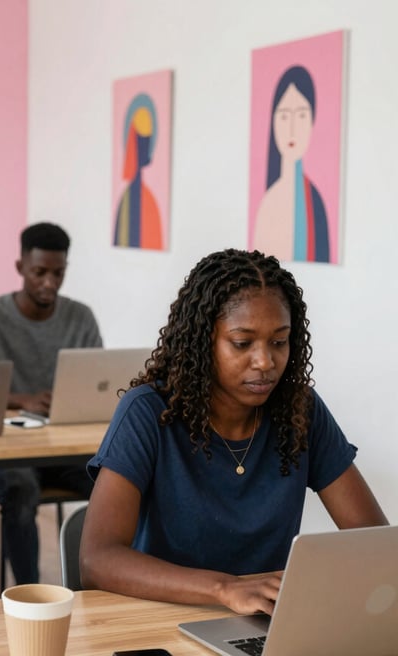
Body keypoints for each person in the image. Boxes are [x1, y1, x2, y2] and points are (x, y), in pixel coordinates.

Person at [81, 248, 387, 615]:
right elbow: (97, 560)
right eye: (242, 343)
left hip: (263, 622)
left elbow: (374, 542)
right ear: (202, 340)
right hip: (160, 618)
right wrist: (226, 589)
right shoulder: (148, 413)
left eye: (279, 341)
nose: (265, 361)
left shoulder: (299, 410)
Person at [0, 222, 102, 584]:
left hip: (64, 447)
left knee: (116, 483)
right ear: (20, 267)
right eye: (40, 272)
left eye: (58, 273)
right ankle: (31, 594)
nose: (50, 283)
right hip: (7, 449)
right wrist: (22, 400)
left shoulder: (81, 317)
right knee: (21, 492)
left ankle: (101, 583)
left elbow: (97, 384)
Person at [253, 65, 330, 262]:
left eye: (302, 115)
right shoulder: (267, 204)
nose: (292, 128)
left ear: (312, 122)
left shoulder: (316, 203)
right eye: (284, 116)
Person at [114, 93, 163, 249]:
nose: (145, 148)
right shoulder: (126, 202)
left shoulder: (150, 202)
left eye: (148, 139)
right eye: (141, 140)